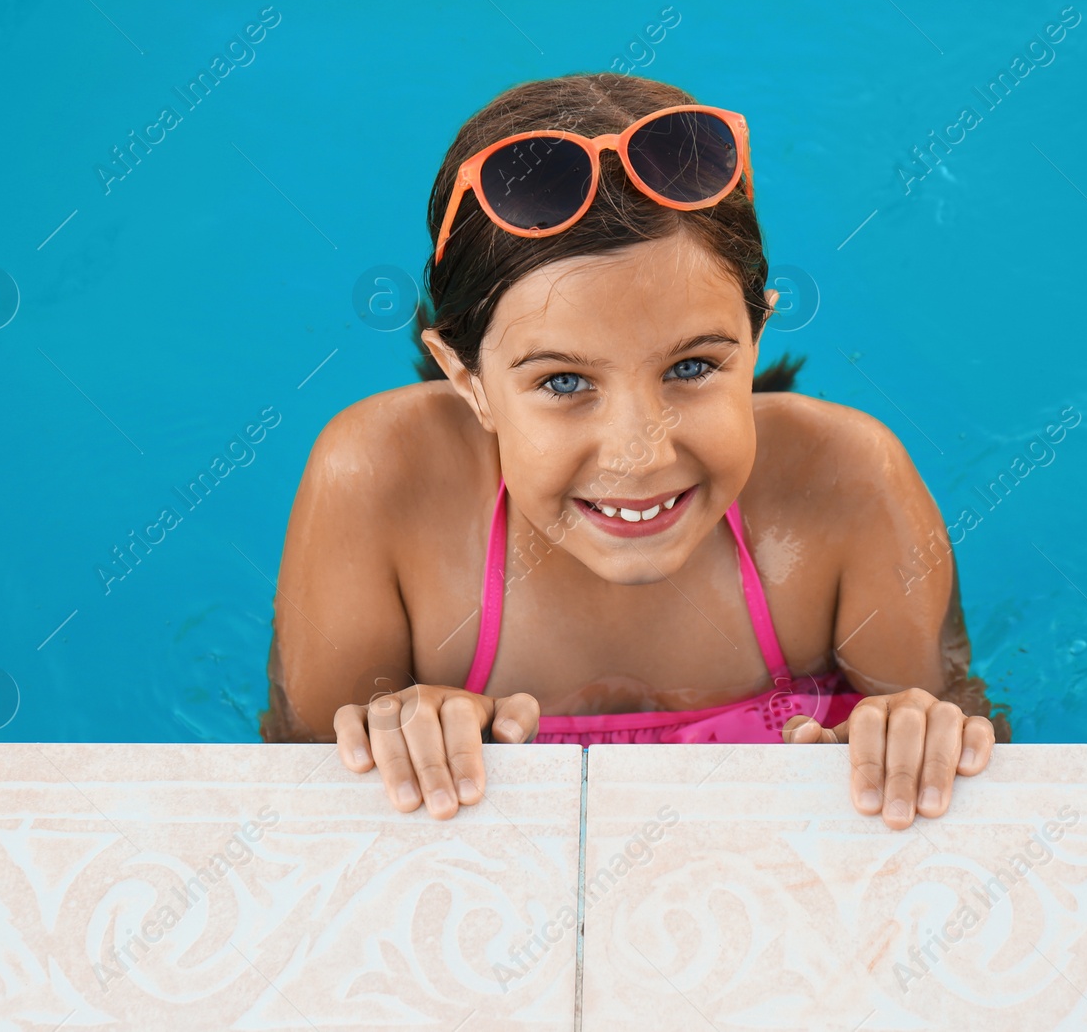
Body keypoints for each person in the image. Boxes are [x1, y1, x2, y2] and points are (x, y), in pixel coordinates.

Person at [261, 72, 1008, 830]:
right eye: (562, 381)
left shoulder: (850, 487)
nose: (640, 453)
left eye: (692, 367)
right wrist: (395, 735)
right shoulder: (377, 484)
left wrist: (918, 737)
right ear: (470, 380)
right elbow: (291, 800)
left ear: (756, 340)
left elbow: (970, 755)